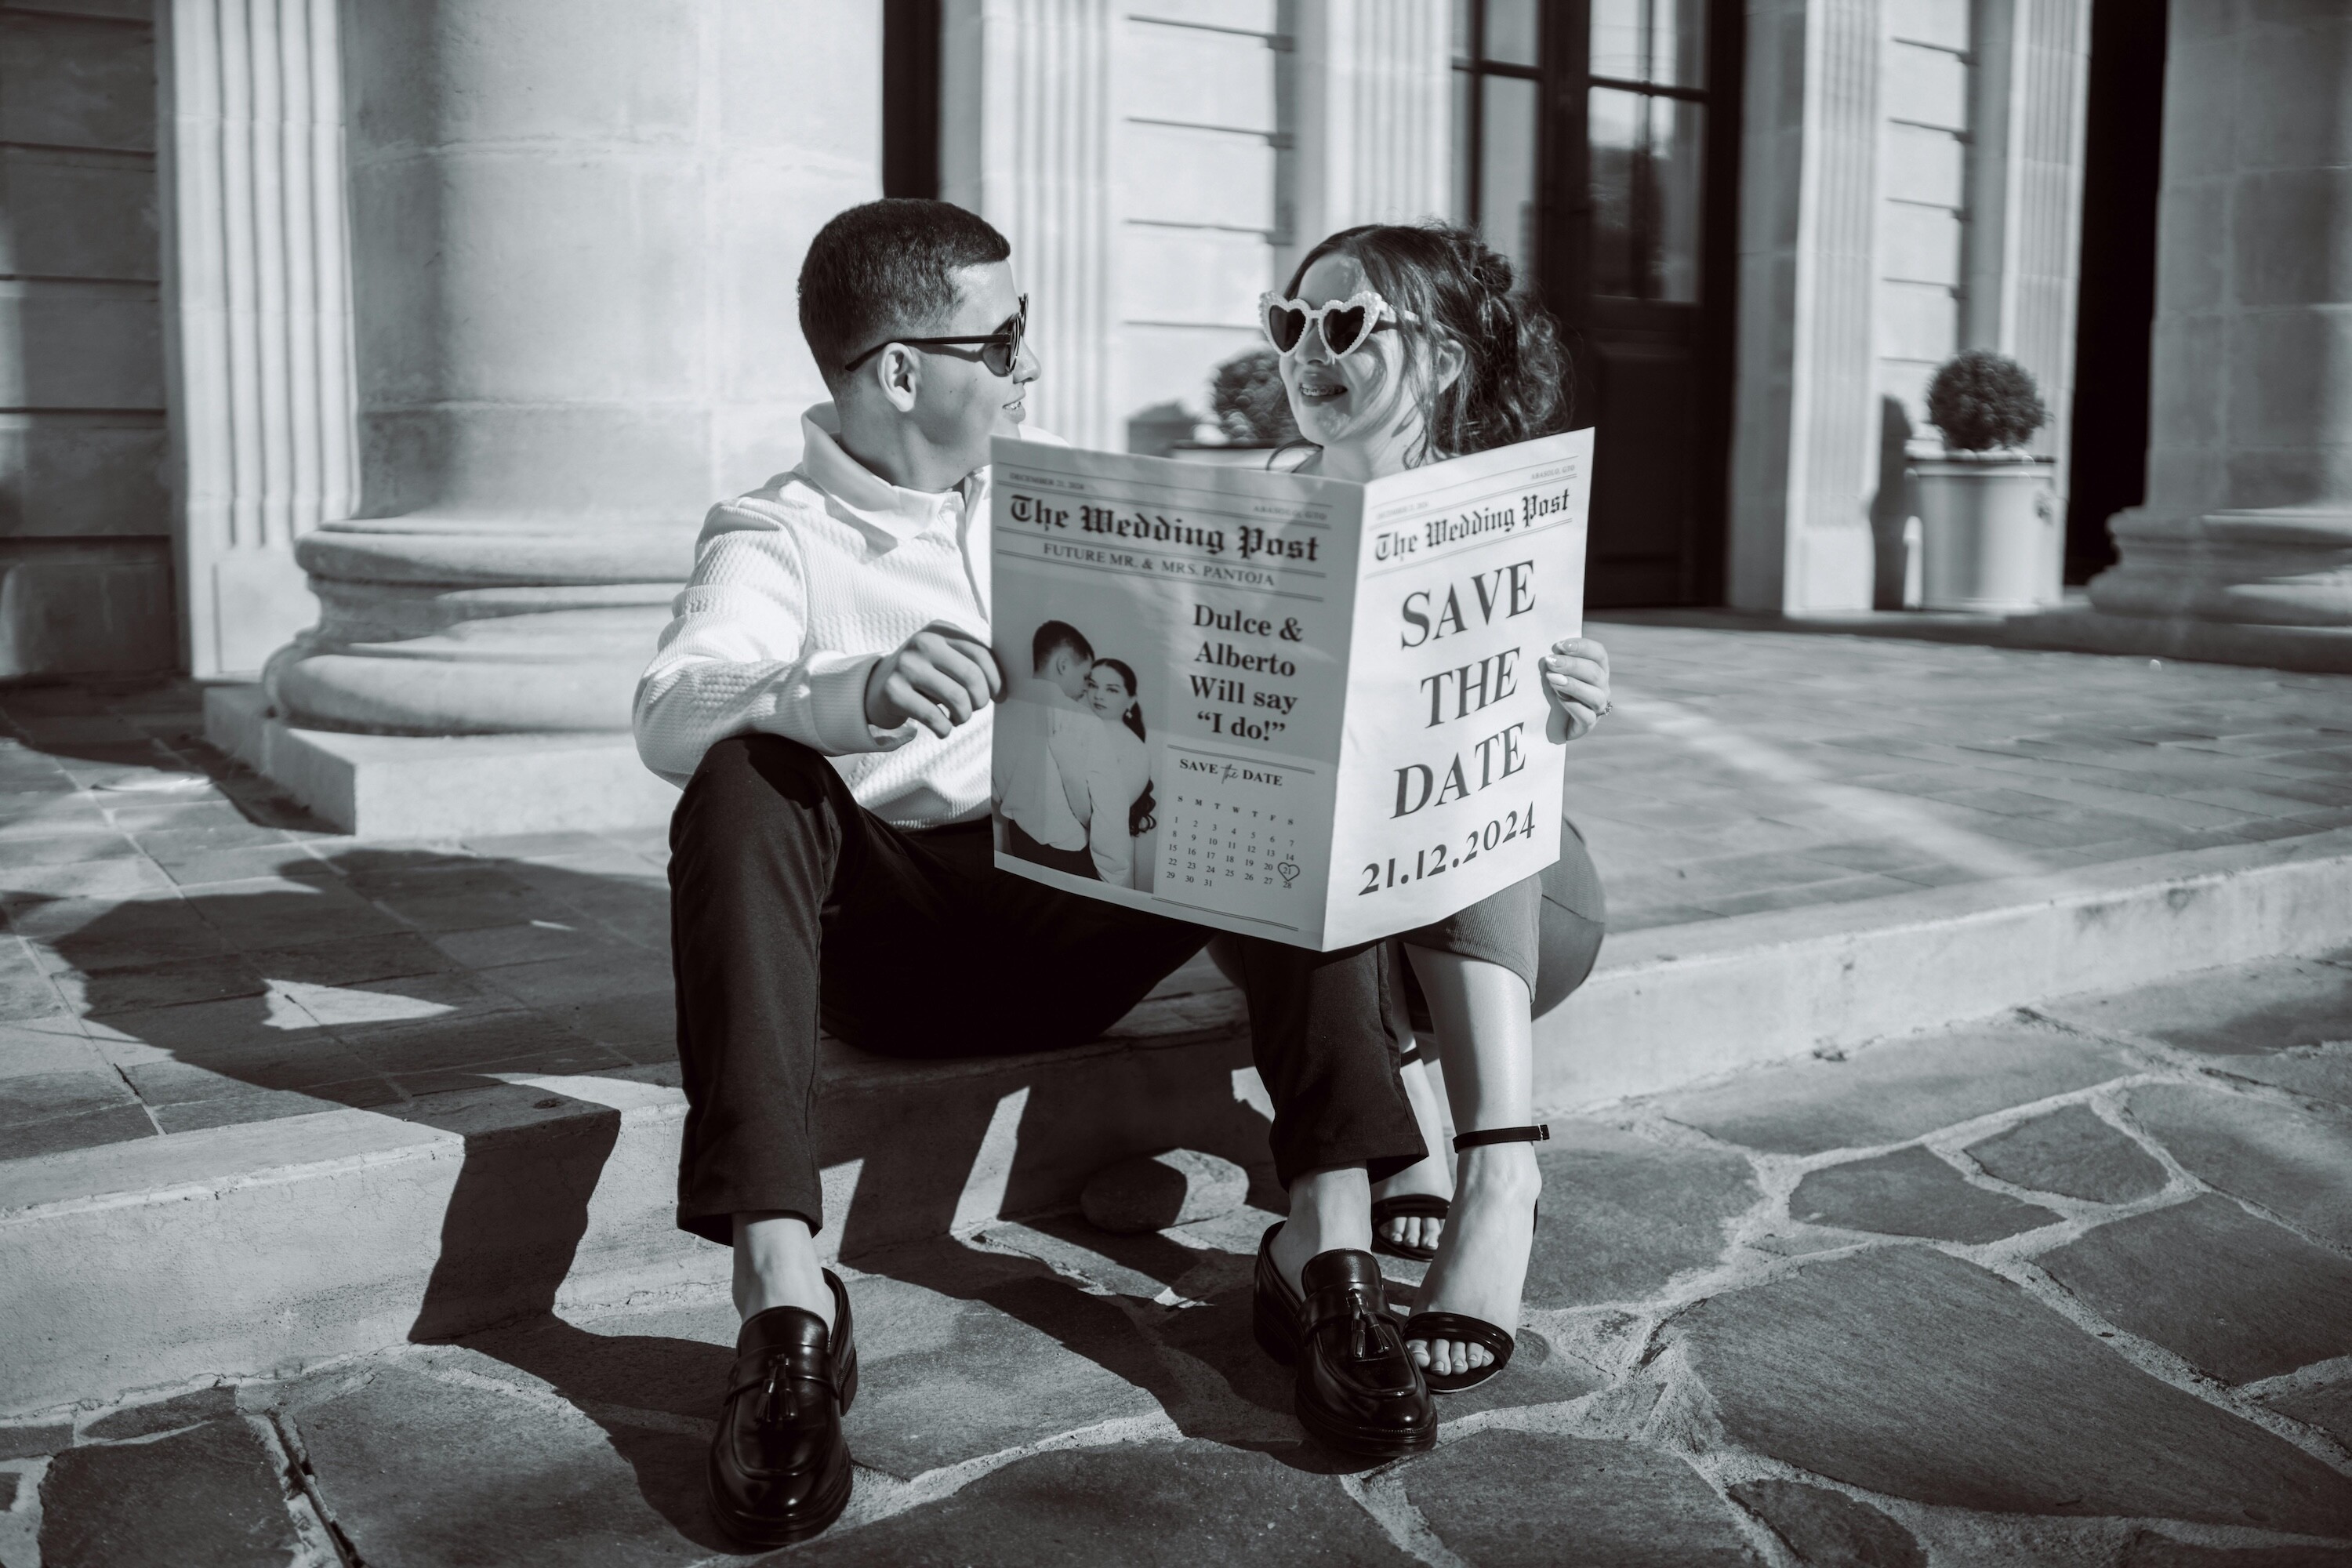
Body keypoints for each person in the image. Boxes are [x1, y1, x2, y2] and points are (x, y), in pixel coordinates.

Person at [633, 198, 1443, 1546]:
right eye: (1004, 340)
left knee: (1271, 758)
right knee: (740, 777)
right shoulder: (774, 532)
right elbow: (668, 708)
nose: (1030, 366)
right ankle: (787, 1303)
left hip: (1081, 907)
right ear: (905, 369)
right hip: (897, 950)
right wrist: (848, 690)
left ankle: (1325, 1250)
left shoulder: (1064, 502)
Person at [1250, 220, 1614, 1394]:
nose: (1311, 348)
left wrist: (1570, 694)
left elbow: (1525, 748)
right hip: (1335, 908)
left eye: (1347, 323)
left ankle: (1502, 1169)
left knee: (1459, 773)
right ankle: (1401, 1118)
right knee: (1295, 807)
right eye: (1291, 322)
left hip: (1507, 910)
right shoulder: (1248, 515)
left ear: (1444, 361)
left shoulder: (1504, 512)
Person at [994, 619, 1109, 878]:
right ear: (1063, 663)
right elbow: (1097, 815)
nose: (1084, 689)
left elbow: (993, 791)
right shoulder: (1084, 720)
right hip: (1071, 855)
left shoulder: (998, 714)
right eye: (1085, 677)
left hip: (1019, 844)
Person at [1077, 656, 1155, 890]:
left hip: (1098, 861)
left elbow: (1104, 818)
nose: (1098, 696)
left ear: (1131, 700)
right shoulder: (1079, 730)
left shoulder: (1135, 750)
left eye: (1111, 690)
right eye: (1093, 685)